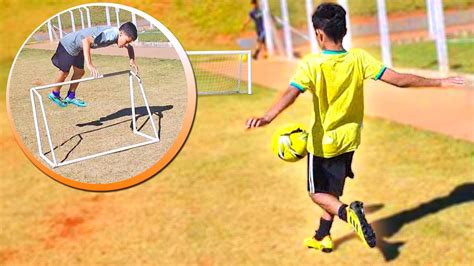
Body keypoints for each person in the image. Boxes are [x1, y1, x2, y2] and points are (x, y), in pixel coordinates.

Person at [246, 3, 464, 252]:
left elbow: (291, 93)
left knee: (318, 195)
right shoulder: (359, 59)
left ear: (318, 34)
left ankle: (348, 213)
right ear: (345, 30)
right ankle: (321, 237)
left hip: (322, 143)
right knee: (331, 191)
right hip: (349, 141)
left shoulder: (311, 65)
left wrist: (267, 117)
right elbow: (399, 80)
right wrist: (439, 81)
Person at [48, 22, 139, 107]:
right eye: (126, 41)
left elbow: (129, 47)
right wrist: (90, 64)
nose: (126, 44)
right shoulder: (110, 35)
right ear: (121, 34)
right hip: (69, 44)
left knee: (79, 72)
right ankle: (54, 94)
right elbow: (86, 41)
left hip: (79, 48)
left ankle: (70, 96)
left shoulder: (118, 36)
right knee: (64, 71)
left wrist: (132, 60)